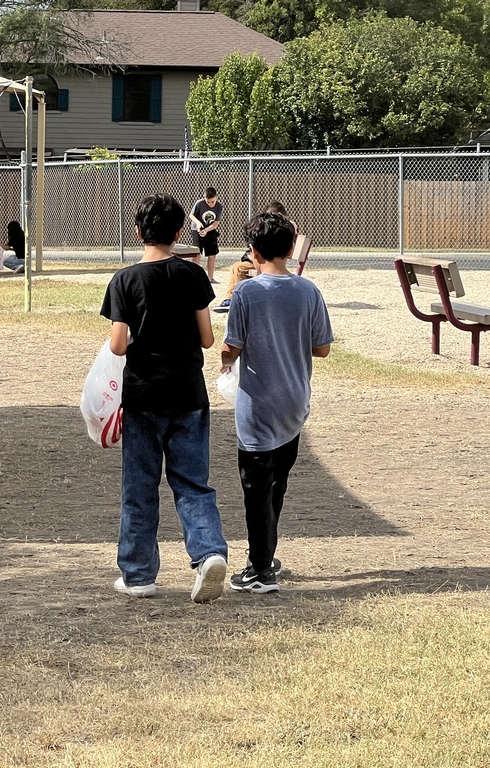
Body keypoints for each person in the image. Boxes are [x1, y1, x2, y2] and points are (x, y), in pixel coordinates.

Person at [99, 194, 229, 603]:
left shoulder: (125, 280)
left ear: (137, 232)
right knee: (193, 482)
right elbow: (208, 338)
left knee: (140, 485)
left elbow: (119, 346)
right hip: (189, 393)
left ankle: (138, 574)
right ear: (179, 233)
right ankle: (208, 553)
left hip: (143, 396)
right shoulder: (192, 275)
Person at [221, 211, 333, 593]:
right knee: (277, 483)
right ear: (290, 248)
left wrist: (224, 364)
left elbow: (231, 347)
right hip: (294, 401)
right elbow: (322, 348)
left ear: (252, 252)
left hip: (257, 404)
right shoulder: (308, 291)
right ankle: (265, 554)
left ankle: (260, 569)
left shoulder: (247, 293)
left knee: (255, 486)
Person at [214, 201, 297, 314]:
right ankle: (230, 298)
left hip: (267, 262)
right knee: (238, 266)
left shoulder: (280, 230)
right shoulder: (287, 230)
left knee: (238, 267)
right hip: (270, 260)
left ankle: (230, 299)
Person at [189, 187, 222, 283]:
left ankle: (210, 278)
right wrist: (198, 224)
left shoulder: (219, 206)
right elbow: (191, 215)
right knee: (197, 253)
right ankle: (194, 277)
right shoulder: (199, 203)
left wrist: (207, 230)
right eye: (208, 202)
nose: (210, 204)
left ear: (217, 197)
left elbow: (216, 223)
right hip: (197, 229)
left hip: (210, 229)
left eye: (212, 202)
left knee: (212, 254)